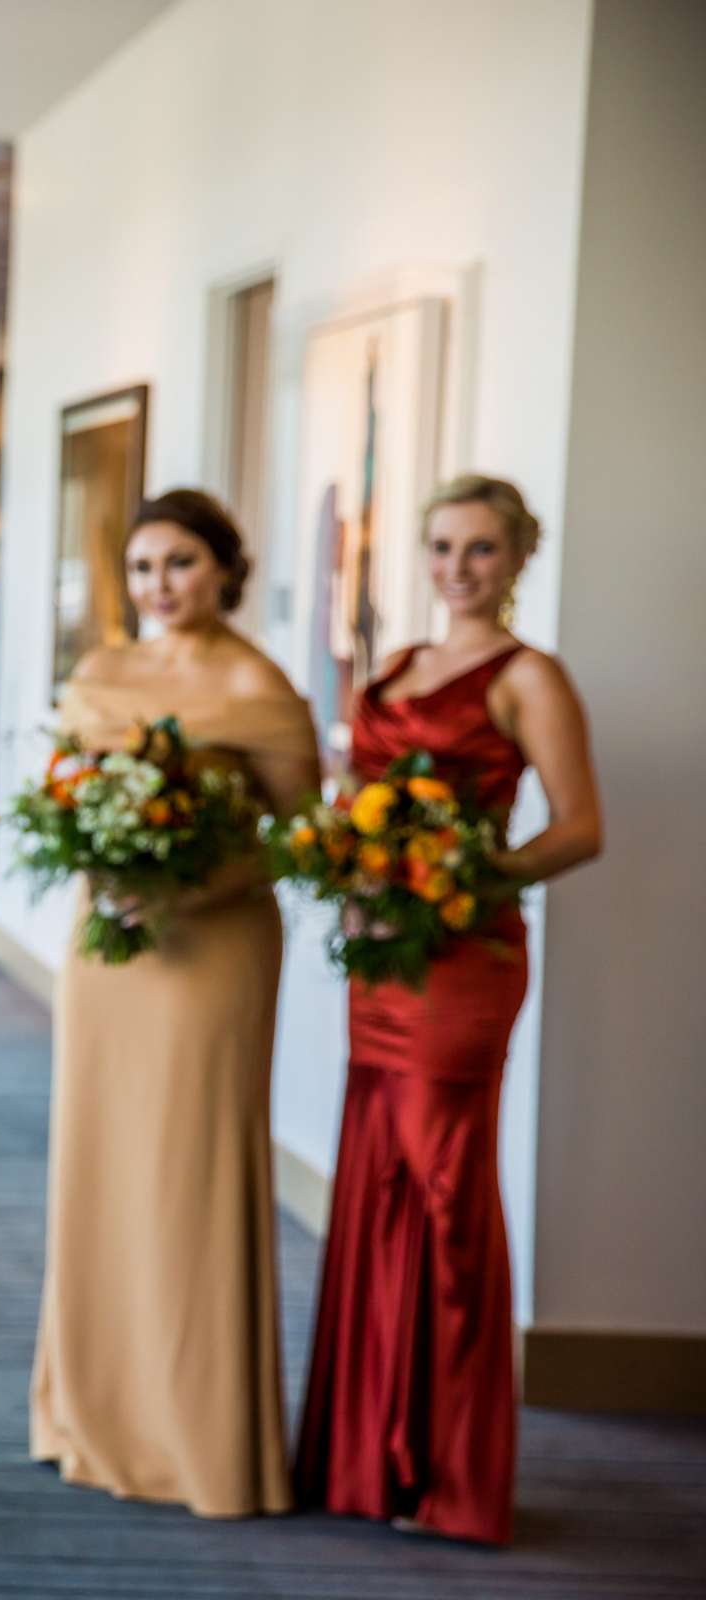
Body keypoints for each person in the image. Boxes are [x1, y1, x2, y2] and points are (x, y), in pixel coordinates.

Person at [294, 474, 602, 1545]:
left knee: (444, 1184)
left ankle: (450, 1475)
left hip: (465, 960)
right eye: (441, 546)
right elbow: (357, 797)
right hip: (381, 960)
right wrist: (354, 859)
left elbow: (579, 827)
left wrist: (466, 881)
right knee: (376, 1177)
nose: (457, 567)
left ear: (518, 559)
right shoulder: (397, 667)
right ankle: (366, 1457)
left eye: (480, 548)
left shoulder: (529, 678)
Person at [29, 488, 320, 1517]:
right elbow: (63, 790)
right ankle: (90, 1412)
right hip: (110, 944)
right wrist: (99, 853)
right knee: (100, 1160)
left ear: (224, 570)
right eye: (146, 565)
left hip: (215, 946)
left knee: (192, 1173)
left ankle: (201, 1438)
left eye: (182, 563)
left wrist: (199, 878)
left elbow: (301, 834)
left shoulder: (260, 685)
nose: (161, 584)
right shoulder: (103, 670)